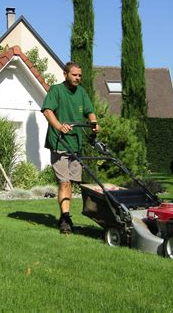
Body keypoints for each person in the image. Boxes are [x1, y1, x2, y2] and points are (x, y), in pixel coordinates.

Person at [41, 62, 100, 234]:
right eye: (74, 75)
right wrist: (59, 126)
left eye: (80, 75)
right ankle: (65, 218)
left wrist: (94, 124)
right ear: (65, 74)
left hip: (75, 144)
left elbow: (90, 112)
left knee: (72, 183)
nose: (78, 78)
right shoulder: (56, 90)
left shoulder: (81, 92)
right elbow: (47, 111)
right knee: (64, 182)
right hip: (59, 143)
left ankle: (65, 215)